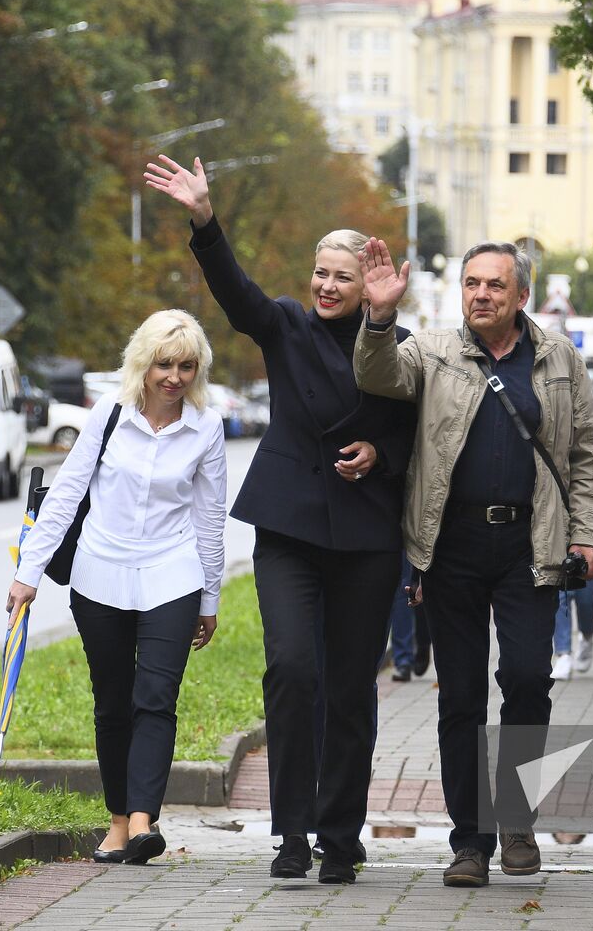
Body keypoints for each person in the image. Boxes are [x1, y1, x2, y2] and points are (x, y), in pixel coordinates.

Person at [143, 154, 416, 885]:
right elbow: (238, 298)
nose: (325, 285)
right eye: (320, 272)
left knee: (352, 686)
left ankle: (340, 833)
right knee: (293, 672)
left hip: (366, 539)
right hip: (290, 531)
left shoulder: (397, 347)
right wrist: (204, 219)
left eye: (342, 276)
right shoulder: (287, 326)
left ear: (370, 287)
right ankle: (291, 831)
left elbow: (415, 432)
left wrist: (379, 456)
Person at [355, 237, 593, 888]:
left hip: (531, 545)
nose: (481, 294)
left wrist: (590, 537)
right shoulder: (434, 350)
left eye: (495, 285)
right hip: (453, 549)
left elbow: (586, 452)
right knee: (461, 696)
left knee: (526, 678)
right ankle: (470, 840)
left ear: (521, 295)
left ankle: (517, 820)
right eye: (472, 283)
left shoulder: (558, 359)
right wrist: (380, 316)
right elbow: (376, 374)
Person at [8, 309, 227, 866]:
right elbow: (63, 498)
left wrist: (209, 600)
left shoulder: (207, 426)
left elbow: (209, 518)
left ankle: (141, 822)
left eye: (185, 366)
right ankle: (116, 820)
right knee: (112, 703)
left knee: (156, 699)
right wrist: (27, 574)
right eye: (163, 364)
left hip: (171, 576)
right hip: (99, 574)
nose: (173, 377)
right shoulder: (108, 416)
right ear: (143, 364)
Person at [550, 579, 593, 680]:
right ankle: (563, 654)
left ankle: (587, 637)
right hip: (558, 565)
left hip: (586, 564)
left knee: (587, 602)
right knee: (559, 598)